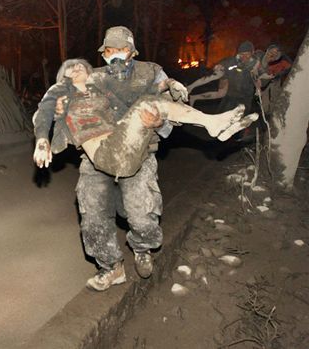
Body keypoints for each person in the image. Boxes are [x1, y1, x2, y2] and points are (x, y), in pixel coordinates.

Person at [34, 27, 179, 291]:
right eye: (109, 51)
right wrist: (50, 125)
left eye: (121, 50)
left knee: (140, 213)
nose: (115, 56)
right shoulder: (92, 78)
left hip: (138, 153)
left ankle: (142, 247)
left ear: (132, 51)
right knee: (92, 213)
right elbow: (54, 104)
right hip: (97, 155)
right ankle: (111, 267)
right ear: (103, 53)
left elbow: (170, 107)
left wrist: (158, 121)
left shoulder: (152, 73)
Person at [33, 59, 257, 177]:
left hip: (128, 150)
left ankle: (214, 123)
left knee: (148, 101)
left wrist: (167, 84)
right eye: (71, 68)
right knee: (146, 103)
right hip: (106, 155)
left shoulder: (102, 90)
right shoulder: (60, 92)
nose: (77, 68)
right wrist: (42, 139)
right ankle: (211, 123)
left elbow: (134, 95)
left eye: (80, 66)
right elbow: (42, 112)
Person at [188, 41, 261, 115]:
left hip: (245, 97)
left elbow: (258, 78)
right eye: (242, 54)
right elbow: (223, 64)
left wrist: (258, 90)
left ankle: (194, 96)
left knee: (240, 121)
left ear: (252, 53)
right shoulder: (233, 61)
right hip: (230, 95)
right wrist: (219, 65)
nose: (244, 57)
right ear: (238, 54)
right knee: (218, 76)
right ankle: (191, 88)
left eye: (247, 54)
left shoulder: (255, 64)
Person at [257, 43, 293, 116]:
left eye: (275, 53)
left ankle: (272, 115)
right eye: (271, 51)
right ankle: (265, 115)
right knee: (264, 103)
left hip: (274, 82)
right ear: (267, 51)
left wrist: (277, 75)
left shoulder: (281, 61)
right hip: (261, 83)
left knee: (274, 99)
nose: (272, 54)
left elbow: (290, 67)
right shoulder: (260, 56)